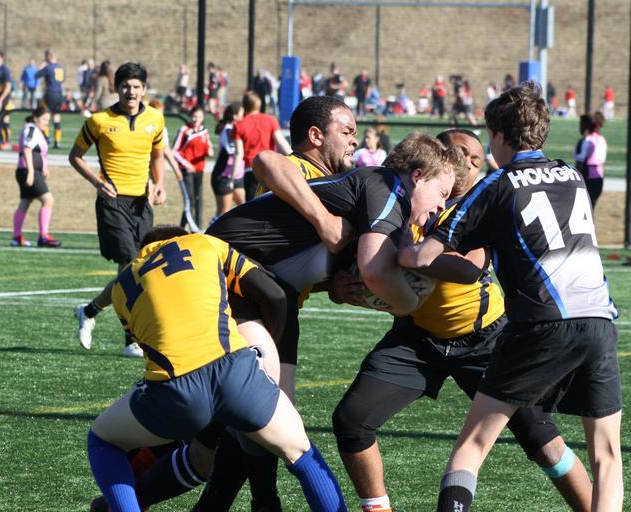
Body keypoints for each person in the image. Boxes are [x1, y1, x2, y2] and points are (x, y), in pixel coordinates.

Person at [199, 98, 460, 510]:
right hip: (229, 279)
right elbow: (267, 161)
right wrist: (405, 302)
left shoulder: (367, 197)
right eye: (347, 131)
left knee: (260, 418)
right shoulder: (364, 183)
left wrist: (335, 286)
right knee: (242, 420)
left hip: (274, 296)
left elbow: (310, 262)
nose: (355, 139)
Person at [332, 128, 593, 512]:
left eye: (475, 156)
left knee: (543, 441)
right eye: (458, 152)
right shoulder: (401, 200)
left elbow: (470, 268)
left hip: (486, 340)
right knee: (351, 420)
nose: (468, 162)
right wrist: (339, 287)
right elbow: (357, 259)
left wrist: (409, 256)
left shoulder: (480, 204)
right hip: (418, 339)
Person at [397, 81, 622, 512]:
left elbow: (423, 256)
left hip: (541, 323)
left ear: (499, 136)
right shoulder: (572, 176)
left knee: (472, 446)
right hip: (599, 321)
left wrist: (394, 252)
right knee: (608, 456)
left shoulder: (498, 184)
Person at [86, 225, 348, 512]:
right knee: (304, 457)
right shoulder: (203, 243)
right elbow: (274, 295)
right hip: (237, 371)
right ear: (182, 237)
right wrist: (271, 341)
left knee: (103, 440)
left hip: (177, 387)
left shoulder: (123, 283)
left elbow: (149, 344)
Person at [70, 62, 166, 356]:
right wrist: (97, 183)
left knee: (136, 270)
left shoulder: (155, 118)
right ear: (117, 88)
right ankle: (131, 339)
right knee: (130, 264)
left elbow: (157, 155)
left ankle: (90, 310)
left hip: (141, 204)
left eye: (136, 86)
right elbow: (75, 156)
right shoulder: (99, 121)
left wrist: (159, 184)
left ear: (144, 89)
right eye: (125, 86)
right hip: (112, 202)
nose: (131, 92)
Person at [10, 105, 60, 248]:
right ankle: (43, 236)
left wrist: (44, 167)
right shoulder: (31, 129)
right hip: (28, 171)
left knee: (25, 202)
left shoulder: (37, 131)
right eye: (44, 119)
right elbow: (27, 149)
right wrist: (31, 172)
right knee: (48, 200)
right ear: (35, 118)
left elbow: (40, 153)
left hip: (30, 171)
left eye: (48, 120)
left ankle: (17, 237)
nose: (46, 123)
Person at [233, 91, 291, 201]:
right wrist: (295, 159)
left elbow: (239, 154)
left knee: (253, 206)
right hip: (270, 169)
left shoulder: (239, 125)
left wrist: (233, 176)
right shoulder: (271, 120)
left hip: (251, 170)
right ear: (259, 104)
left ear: (244, 105)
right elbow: (281, 142)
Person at [172, 105, 212, 230]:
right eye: (194, 116)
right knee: (190, 201)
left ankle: (197, 228)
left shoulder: (204, 131)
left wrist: (209, 151)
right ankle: (182, 229)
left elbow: (208, 148)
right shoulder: (185, 130)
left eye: (199, 116)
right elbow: (174, 151)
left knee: (198, 200)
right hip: (187, 171)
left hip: (199, 170)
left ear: (203, 117)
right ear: (191, 116)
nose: (196, 119)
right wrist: (186, 163)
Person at [211, 102, 244, 221]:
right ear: (234, 116)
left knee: (245, 208)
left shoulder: (237, 129)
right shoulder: (228, 130)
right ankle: (211, 230)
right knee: (224, 212)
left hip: (236, 177)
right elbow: (234, 151)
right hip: (224, 177)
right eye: (242, 114)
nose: (244, 117)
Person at [574, 111, 607, 210]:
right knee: (591, 207)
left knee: (585, 208)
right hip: (599, 176)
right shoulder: (601, 139)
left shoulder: (586, 140)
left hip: (587, 176)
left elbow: (580, 158)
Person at [36, 50, 65, 148]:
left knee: (45, 116)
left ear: (48, 57)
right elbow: (62, 80)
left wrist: (41, 66)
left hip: (50, 93)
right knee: (56, 117)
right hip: (59, 94)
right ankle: (57, 142)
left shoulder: (48, 67)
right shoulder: (61, 67)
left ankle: (46, 139)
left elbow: (37, 75)